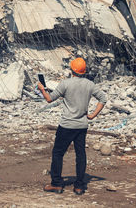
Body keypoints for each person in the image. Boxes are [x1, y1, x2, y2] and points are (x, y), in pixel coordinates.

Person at [37, 57, 107, 195]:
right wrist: (92, 115)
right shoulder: (90, 84)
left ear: (71, 70)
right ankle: (79, 186)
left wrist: (42, 89)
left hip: (67, 125)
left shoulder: (66, 84)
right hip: (82, 126)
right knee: (80, 155)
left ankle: (56, 184)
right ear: (84, 71)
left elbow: (49, 98)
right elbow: (103, 99)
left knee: (58, 153)